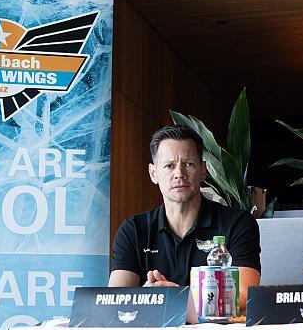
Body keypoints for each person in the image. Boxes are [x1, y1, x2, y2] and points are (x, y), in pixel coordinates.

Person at [108, 125, 260, 309]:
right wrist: (148, 296)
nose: (179, 174)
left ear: (203, 170)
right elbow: (116, 299)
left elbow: (244, 295)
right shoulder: (133, 230)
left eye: (188, 164)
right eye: (169, 166)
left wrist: (176, 299)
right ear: (153, 173)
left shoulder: (237, 224)